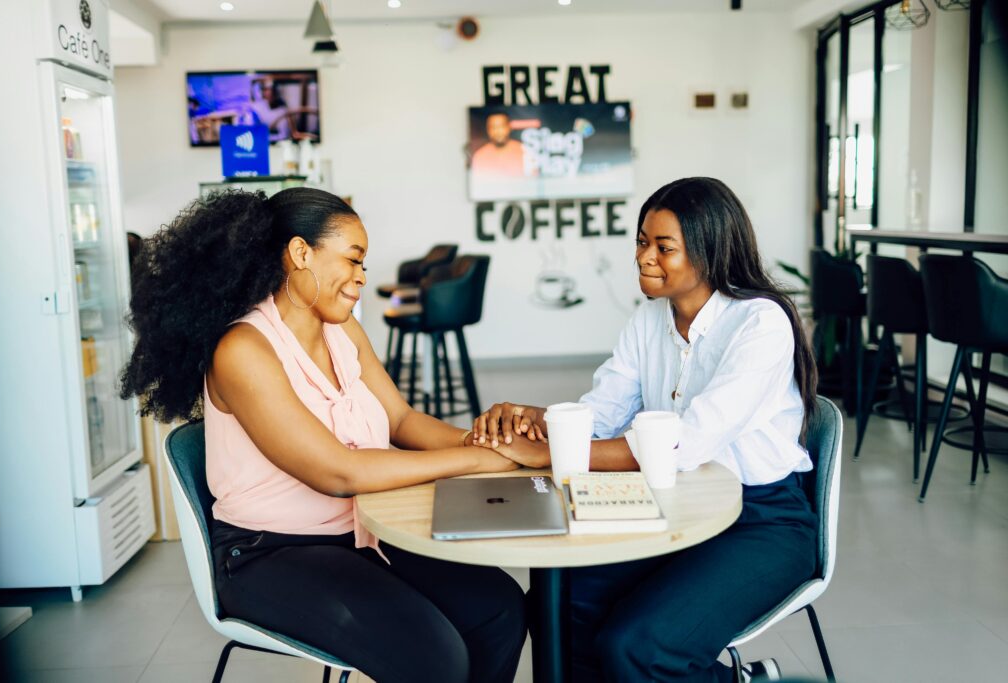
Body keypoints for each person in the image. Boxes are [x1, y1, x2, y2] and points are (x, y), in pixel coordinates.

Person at [119, 188, 526, 683]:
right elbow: (338, 472)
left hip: (360, 535)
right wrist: (480, 462)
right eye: (353, 260)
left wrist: (484, 442)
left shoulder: (343, 329)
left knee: (499, 609)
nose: (361, 278)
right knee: (435, 655)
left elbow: (400, 420)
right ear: (300, 253)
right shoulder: (243, 349)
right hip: (270, 554)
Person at [473, 177, 819, 683]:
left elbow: (685, 443)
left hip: (762, 520)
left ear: (708, 251)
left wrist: (550, 455)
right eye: (641, 242)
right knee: (564, 604)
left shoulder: (759, 324)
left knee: (637, 646)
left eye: (663, 247)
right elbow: (604, 411)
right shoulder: (647, 319)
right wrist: (539, 419)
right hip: (675, 504)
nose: (643, 257)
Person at [471, 112, 530, 176]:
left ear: (509, 127)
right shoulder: (479, 156)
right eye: (493, 127)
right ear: (488, 130)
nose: (497, 131)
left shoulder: (525, 151)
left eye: (501, 126)